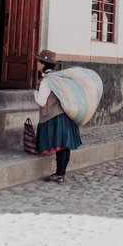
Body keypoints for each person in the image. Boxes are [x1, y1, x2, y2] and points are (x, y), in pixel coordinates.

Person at [34, 49, 82, 183]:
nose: (37, 65)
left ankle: (59, 174)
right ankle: (61, 173)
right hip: (65, 115)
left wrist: (34, 93)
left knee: (60, 146)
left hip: (54, 116)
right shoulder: (58, 77)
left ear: (43, 64)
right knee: (64, 146)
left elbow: (41, 101)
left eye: (38, 62)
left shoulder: (46, 81)